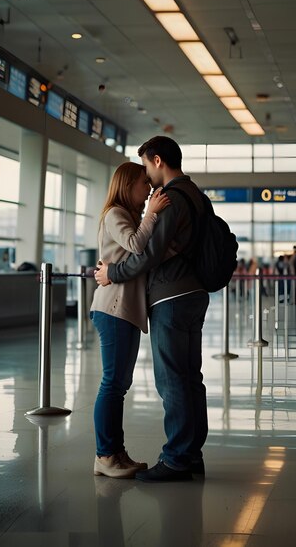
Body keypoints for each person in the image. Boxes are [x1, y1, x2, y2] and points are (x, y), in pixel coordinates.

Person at [95, 135, 210, 482]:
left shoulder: (171, 198)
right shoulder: (197, 196)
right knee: (190, 378)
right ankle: (189, 455)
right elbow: (142, 246)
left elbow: (146, 254)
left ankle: (176, 458)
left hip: (171, 297)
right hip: (193, 293)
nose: (147, 183)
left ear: (157, 161)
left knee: (173, 379)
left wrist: (111, 272)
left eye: (146, 168)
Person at [90, 161, 170, 479]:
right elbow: (136, 245)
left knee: (119, 384)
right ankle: (105, 455)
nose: (148, 189)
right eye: (143, 184)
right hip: (114, 309)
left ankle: (115, 452)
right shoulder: (115, 213)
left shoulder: (127, 216)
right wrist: (152, 213)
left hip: (123, 309)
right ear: (127, 185)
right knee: (113, 383)